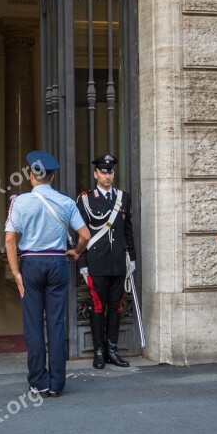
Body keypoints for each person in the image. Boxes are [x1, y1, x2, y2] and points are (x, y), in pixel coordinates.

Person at [5, 151, 91, 397]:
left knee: (33, 324)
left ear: (31, 175)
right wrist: (75, 251)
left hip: (31, 263)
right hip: (57, 261)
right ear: (52, 177)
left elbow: (10, 241)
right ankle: (56, 383)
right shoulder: (66, 202)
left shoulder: (19, 202)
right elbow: (85, 235)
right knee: (56, 323)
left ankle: (38, 381)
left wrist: (15, 273)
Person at [76, 154, 137, 369]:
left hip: (119, 261)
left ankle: (112, 349)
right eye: (103, 171)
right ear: (95, 174)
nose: (107, 175)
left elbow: (128, 229)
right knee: (98, 306)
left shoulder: (123, 197)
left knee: (116, 306)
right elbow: (81, 233)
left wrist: (132, 257)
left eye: (110, 171)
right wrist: (82, 262)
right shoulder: (86, 199)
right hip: (97, 260)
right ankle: (99, 351)